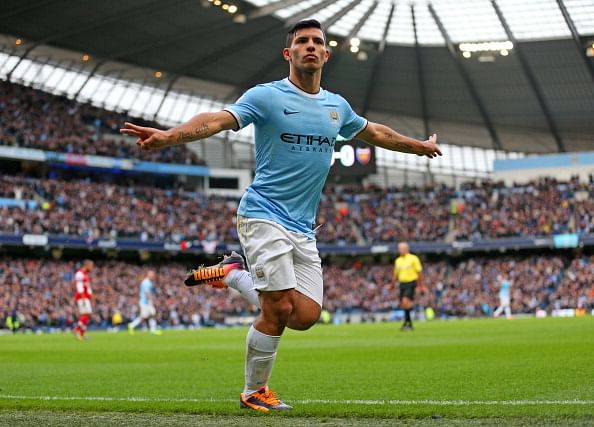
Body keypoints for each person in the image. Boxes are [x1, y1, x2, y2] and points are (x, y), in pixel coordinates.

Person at [120, 19, 441, 412]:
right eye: (302, 41)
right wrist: (171, 135)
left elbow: (376, 133)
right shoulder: (267, 96)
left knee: (304, 315)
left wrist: (420, 147)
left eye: (317, 42)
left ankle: (232, 274)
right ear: (289, 54)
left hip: (303, 227)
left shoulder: (336, 107)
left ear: (326, 54)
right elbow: (218, 120)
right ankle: (254, 391)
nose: (310, 46)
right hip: (262, 214)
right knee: (277, 309)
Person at [394, 242, 424, 331]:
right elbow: (395, 274)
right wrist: (392, 285)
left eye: (402, 248)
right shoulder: (398, 260)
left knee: (405, 301)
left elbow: (419, 272)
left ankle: (408, 323)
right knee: (404, 304)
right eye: (399, 248)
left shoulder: (413, 258)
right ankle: (408, 323)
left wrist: (421, 285)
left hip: (411, 283)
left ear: (407, 249)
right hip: (402, 284)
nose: (400, 250)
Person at [128, 270, 162, 335]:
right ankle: (132, 325)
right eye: (152, 275)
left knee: (151, 314)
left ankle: (153, 329)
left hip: (146, 302)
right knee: (145, 316)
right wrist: (151, 301)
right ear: (148, 275)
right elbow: (147, 293)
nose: (153, 276)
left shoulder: (148, 282)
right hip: (145, 302)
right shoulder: (147, 283)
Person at [73, 259, 94, 340]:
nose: (92, 267)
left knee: (86, 315)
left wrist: (90, 295)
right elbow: (79, 287)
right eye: (91, 265)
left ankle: (82, 335)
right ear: (87, 265)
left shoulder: (86, 274)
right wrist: (83, 297)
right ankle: (77, 329)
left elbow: (87, 286)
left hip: (85, 296)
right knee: (86, 313)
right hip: (82, 297)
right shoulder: (79, 274)